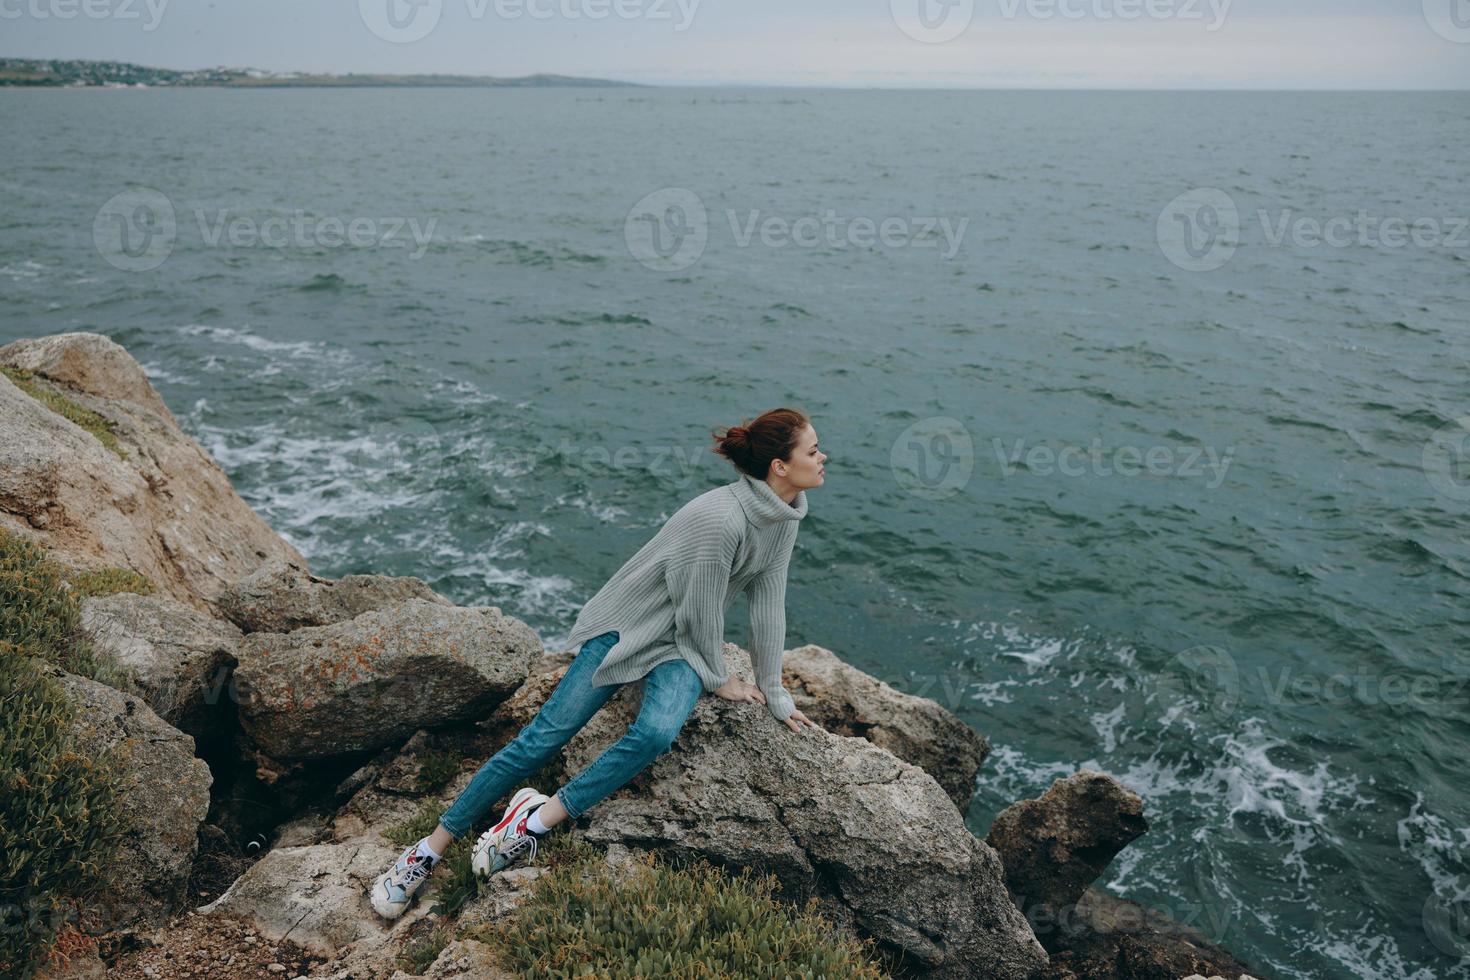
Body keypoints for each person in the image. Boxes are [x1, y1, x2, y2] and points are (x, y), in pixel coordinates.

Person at [371, 408, 827, 919]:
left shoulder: (784, 516)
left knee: (656, 733)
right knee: (542, 738)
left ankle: (531, 823)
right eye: (812, 450)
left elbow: (768, 601)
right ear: (778, 467)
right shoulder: (720, 518)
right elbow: (699, 608)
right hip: (626, 628)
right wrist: (719, 679)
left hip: (677, 646)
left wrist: (774, 690)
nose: (822, 456)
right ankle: (427, 851)